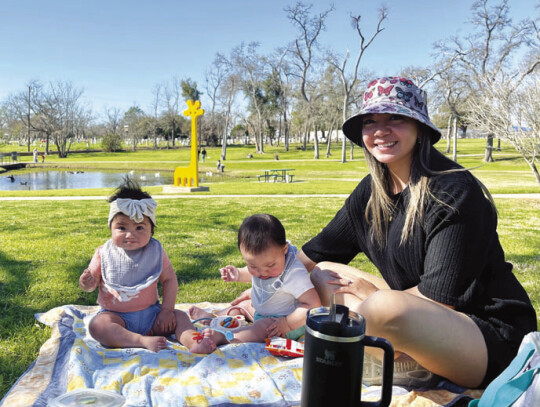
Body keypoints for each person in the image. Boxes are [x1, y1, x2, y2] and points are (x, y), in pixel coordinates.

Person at [233, 77, 537, 389]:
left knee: (382, 308)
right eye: (370, 121)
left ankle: (379, 357)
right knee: (323, 274)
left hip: (487, 337)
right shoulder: (371, 193)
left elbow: (439, 302)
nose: (380, 130)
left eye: (395, 118)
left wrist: (369, 295)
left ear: (419, 127)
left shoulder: (453, 191)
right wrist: (264, 289)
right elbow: (311, 257)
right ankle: (398, 360)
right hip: (416, 318)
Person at [79, 178, 219, 354]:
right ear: (110, 228)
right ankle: (140, 340)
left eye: (139, 228)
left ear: (151, 230)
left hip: (153, 317)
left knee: (180, 316)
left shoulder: (155, 252)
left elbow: (169, 280)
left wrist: (167, 311)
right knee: (98, 326)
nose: (130, 234)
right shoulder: (104, 253)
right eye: (122, 227)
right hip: (116, 317)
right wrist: (86, 282)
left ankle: (192, 341)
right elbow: (90, 285)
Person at [189, 213, 321, 345]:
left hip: (285, 323)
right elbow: (252, 274)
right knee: (243, 305)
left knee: (262, 328)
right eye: (253, 266)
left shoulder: (293, 273)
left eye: (270, 265)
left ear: (284, 249)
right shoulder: (265, 264)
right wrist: (238, 274)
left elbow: (313, 305)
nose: (262, 272)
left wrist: (287, 323)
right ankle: (216, 318)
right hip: (263, 312)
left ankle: (227, 337)